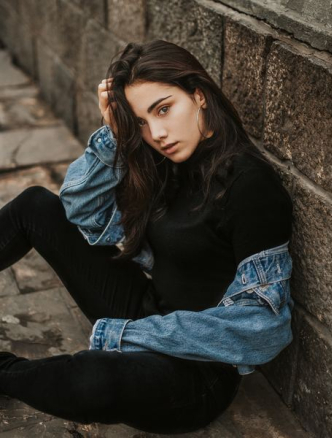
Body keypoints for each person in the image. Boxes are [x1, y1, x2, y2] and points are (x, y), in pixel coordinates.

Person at [0, 39, 294, 434]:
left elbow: (264, 326)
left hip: (197, 373)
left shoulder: (249, 185)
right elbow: (81, 209)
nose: (156, 132)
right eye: (141, 121)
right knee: (35, 205)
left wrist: (129, 336)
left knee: (95, 380)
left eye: (164, 109)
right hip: (148, 310)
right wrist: (114, 133)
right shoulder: (166, 160)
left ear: (199, 95)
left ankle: (5, 373)